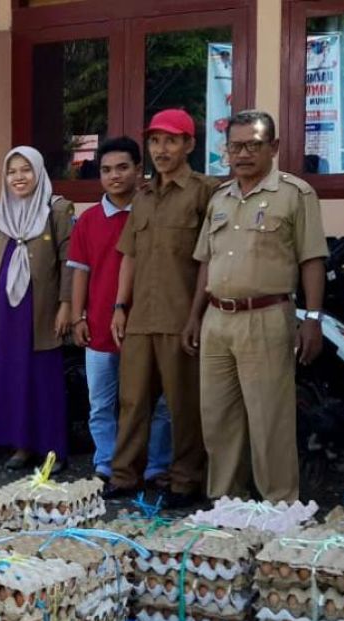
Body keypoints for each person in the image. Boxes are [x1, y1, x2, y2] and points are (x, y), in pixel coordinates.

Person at [186, 110, 327, 502]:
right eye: (236, 146)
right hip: (217, 319)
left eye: (253, 145)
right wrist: (195, 316)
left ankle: (279, 505)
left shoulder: (295, 195)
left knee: (270, 420)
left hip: (266, 317)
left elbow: (312, 259)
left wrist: (312, 319)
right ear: (226, 151)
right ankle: (227, 502)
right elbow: (206, 262)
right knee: (218, 419)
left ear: (274, 147)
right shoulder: (220, 199)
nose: (243, 154)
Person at [107, 109, 217, 506]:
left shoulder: (206, 191)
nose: (161, 149)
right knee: (132, 401)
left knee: (184, 404)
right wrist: (120, 306)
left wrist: (196, 315)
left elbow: (211, 258)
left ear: (189, 144)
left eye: (171, 140)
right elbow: (129, 256)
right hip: (141, 317)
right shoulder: (144, 195)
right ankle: (124, 477)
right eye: (155, 141)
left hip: (180, 316)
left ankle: (184, 480)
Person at [68, 137, 173, 484]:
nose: (115, 176)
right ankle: (106, 463)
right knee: (101, 404)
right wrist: (78, 316)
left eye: (123, 168)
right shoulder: (88, 221)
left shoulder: (152, 212)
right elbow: (80, 271)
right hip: (98, 325)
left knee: (155, 403)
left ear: (139, 170)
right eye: (107, 170)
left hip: (146, 323)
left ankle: (156, 465)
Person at [0, 146, 74, 471]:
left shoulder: (56, 210)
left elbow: (68, 262)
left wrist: (66, 305)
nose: (19, 177)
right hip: (6, 314)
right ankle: (20, 446)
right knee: (13, 377)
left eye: (25, 170)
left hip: (42, 311)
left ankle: (52, 450)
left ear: (38, 171)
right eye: (12, 171)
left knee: (43, 379)